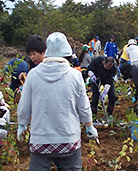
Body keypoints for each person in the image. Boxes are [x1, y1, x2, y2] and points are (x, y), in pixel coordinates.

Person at [17, 32, 96, 170]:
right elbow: (83, 106)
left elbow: (24, 106)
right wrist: (89, 126)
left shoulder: (33, 75)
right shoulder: (75, 75)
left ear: (46, 52)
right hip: (68, 139)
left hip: (40, 141)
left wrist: (22, 124)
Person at [87, 56, 118, 122]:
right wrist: (91, 75)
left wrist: (105, 92)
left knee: (112, 97)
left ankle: (109, 115)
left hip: (107, 80)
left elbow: (110, 80)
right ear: (103, 62)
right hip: (96, 79)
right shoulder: (97, 60)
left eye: (110, 67)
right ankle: (94, 117)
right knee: (95, 98)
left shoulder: (113, 68)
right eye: (107, 67)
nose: (108, 69)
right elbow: (89, 69)